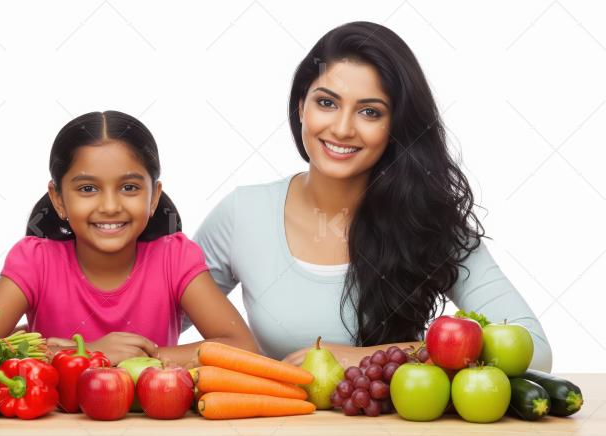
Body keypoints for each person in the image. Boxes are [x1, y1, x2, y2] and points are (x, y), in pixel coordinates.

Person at [193, 22, 552, 371]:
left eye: (370, 112)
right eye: (327, 103)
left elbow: (533, 350)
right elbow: (156, 316)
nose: (343, 128)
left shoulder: (426, 219)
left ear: (395, 126)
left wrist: (374, 357)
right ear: (301, 105)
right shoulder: (244, 214)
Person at [0, 111, 258, 366]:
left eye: (129, 187)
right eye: (88, 188)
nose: (110, 206)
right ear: (59, 199)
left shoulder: (174, 259)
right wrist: (87, 353)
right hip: (54, 419)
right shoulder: (35, 262)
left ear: (154, 197)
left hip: (152, 416)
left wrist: (132, 358)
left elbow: (243, 348)